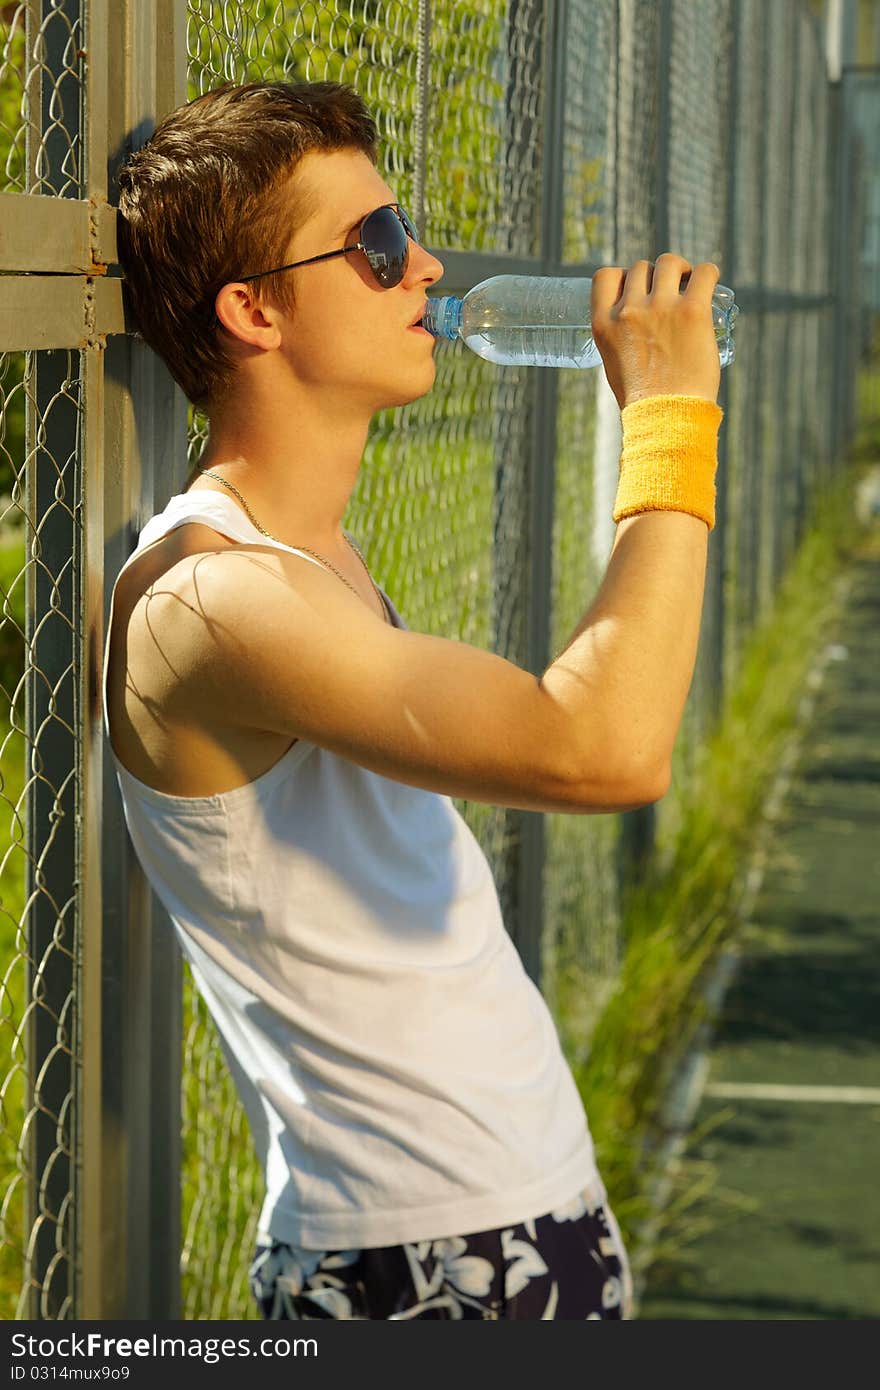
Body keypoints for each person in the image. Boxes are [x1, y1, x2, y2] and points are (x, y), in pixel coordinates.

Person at [107, 79, 723, 1321]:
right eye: (378, 246)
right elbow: (600, 748)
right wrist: (670, 419)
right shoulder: (211, 598)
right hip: (417, 1262)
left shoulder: (307, 558)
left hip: (502, 1221)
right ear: (253, 309)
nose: (425, 266)